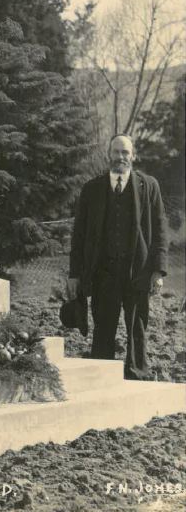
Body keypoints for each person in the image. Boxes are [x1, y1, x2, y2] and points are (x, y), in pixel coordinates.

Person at [68, 134, 168, 379]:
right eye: (116, 152)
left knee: (137, 328)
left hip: (138, 271)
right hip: (103, 274)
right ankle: (102, 377)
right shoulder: (92, 189)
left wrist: (158, 270)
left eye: (125, 152)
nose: (121, 157)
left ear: (133, 155)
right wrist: (74, 274)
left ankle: (138, 376)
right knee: (103, 328)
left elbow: (160, 229)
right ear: (108, 155)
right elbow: (78, 235)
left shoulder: (149, 186)